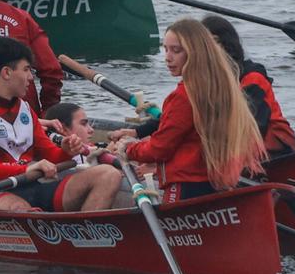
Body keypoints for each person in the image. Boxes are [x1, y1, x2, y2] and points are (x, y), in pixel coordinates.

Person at [108, 18, 266, 204]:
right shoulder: (223, 88)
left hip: (185, 185)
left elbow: (159, 149)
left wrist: (128, 148)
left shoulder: (184, 96)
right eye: (165, 49)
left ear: (195, 53)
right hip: (215, 183)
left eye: (176, 50)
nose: (168, 57)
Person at [0, 38, 121, 212]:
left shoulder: (25, 109)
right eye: (26, 69)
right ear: (6, 73)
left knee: (108, 175)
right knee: (19, 208)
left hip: (33, 186)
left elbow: (49, 153)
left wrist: (66, 151)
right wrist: (24, 169)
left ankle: (88, 235)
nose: (30, 77)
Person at [202, 15, 295, 155]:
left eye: (210, 44)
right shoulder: (210, 81)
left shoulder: (253, 78)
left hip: (276, 151)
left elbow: (257, 127)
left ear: (224, 44)